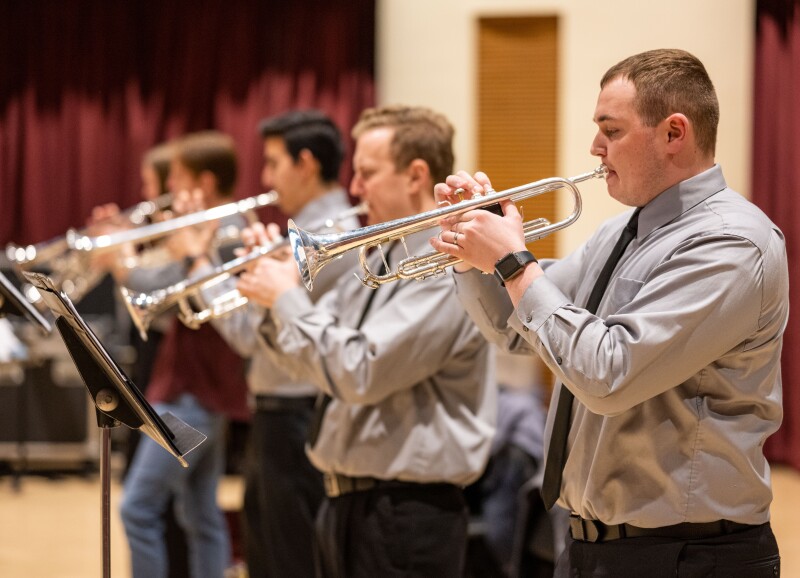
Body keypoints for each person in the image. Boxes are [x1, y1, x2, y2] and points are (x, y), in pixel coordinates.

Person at [430, 48, 788, 577]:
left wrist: (510, 260)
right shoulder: (621, 232)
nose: (595, 148)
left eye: (611, 130)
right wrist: (469, 249)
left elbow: (608, 373)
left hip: (688, 555)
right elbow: (517, 330)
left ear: (674, 133)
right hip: (593, 544)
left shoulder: (731, 243)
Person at [236, 105, 497, 577]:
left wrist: (287, 300)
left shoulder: (447, 266)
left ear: (416, 175)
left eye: (367, 174)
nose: (354, 189)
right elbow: (310, 362)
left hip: (405, 511)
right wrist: (269, 295)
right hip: (349, 502)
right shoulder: (378, 260)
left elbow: (360, 371)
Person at [195, 110, 360, 577]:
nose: (265, 179)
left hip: (296, 414)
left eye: (272, 163)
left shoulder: (318, 238)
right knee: (269, 551)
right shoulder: (298, 233)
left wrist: (198, 264)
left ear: (304, 164)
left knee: (286, 558)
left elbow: (248, 335)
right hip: (281, 413)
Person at [118, 130, 250, 578]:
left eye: (176, 178)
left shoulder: (227, 233)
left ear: (205, 183)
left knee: (137, 508)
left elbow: (162, 292)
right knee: (201, 513)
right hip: (198, 389)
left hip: (194, 391)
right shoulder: (214, 229)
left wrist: (123, 261)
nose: (169, 188)